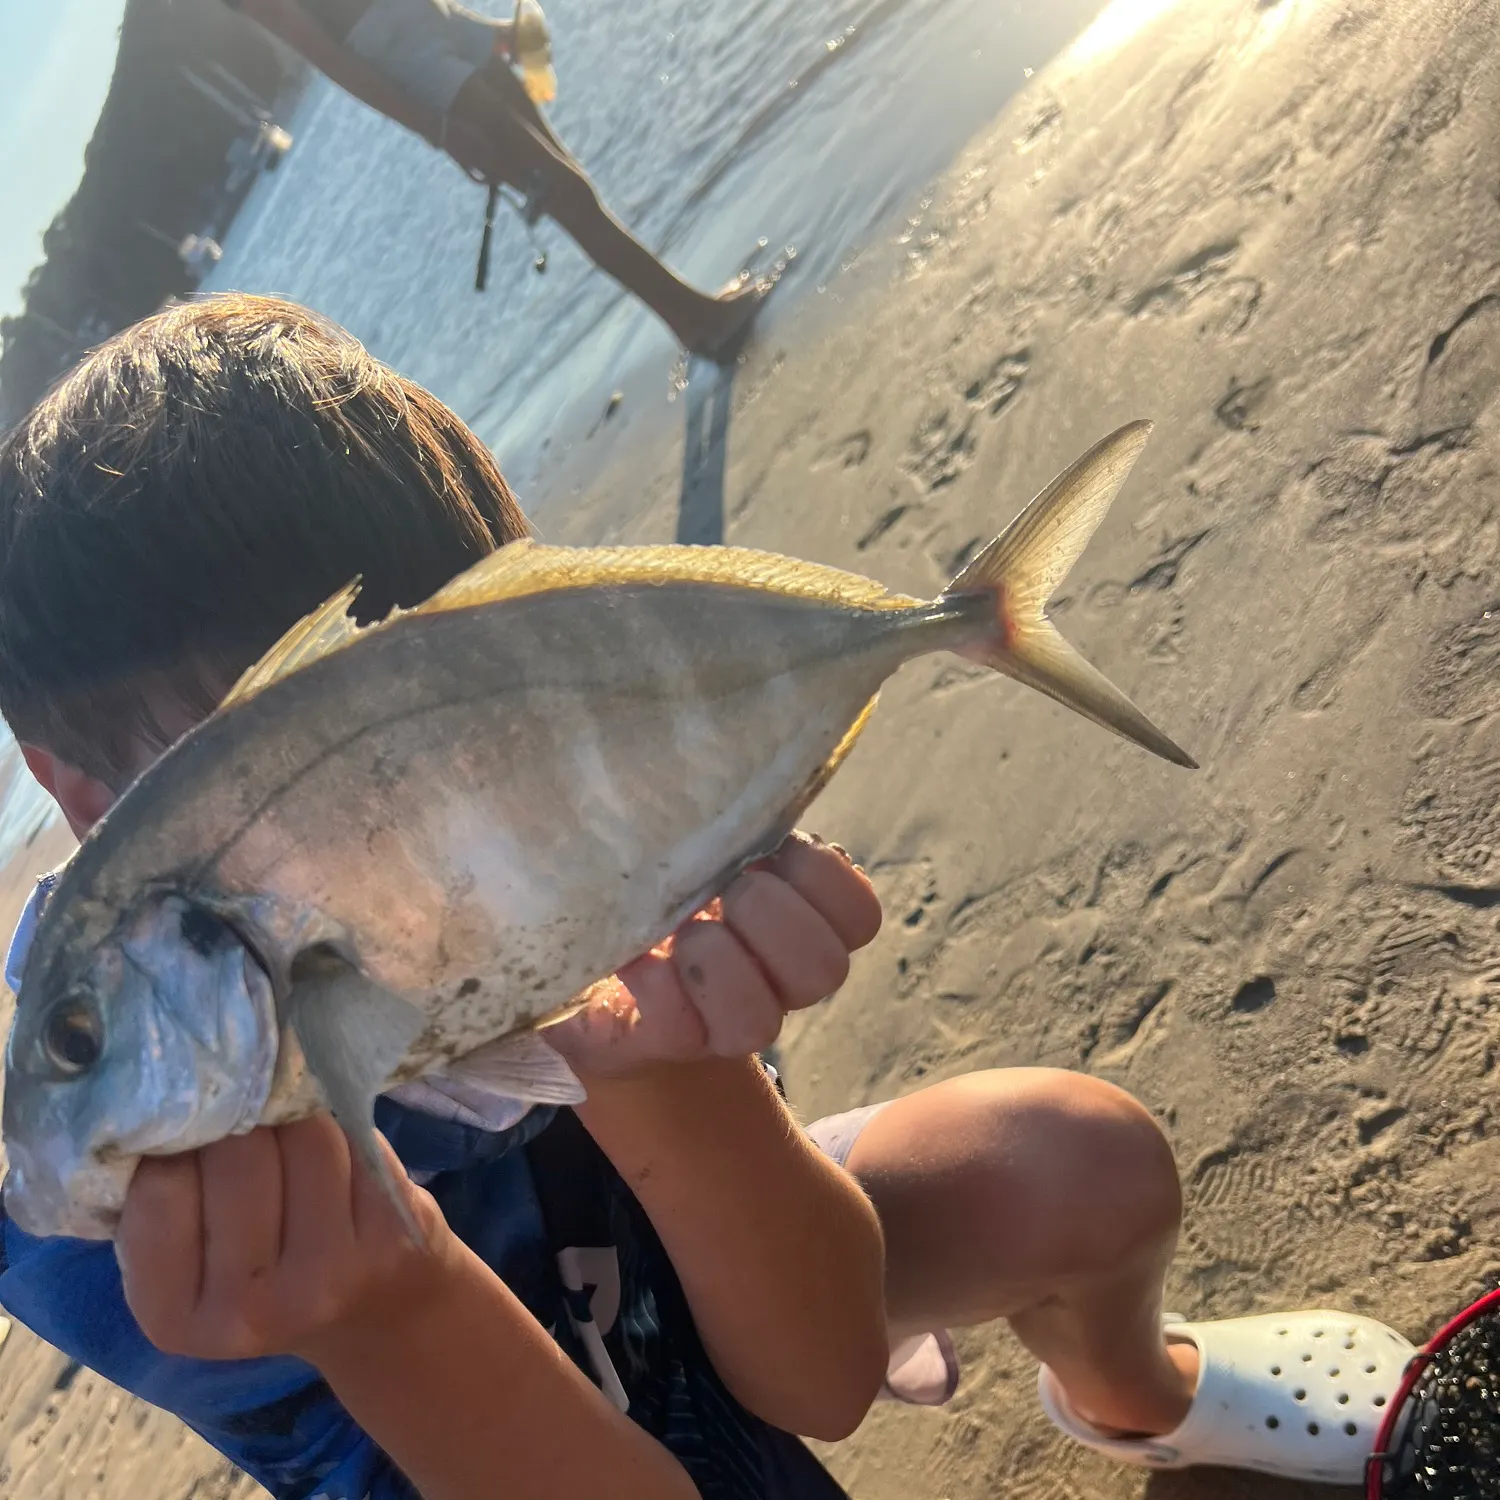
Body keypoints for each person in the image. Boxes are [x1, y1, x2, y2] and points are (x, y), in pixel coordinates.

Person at [0, 294, 1413, 1499]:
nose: (439, 832)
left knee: (1076, 1164)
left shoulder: (573, 850)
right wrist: (386, 1309)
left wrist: (658, 1058)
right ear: (84, 798)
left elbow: (817, 1373)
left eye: (484, 729)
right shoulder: (124, 1206)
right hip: (510, 1444)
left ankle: (1136, 1396)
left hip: (714, 1245)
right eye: (324, 813)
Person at [221, 0, 768, 359]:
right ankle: (701, 324)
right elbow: (329, 57)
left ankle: (692, 321)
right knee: (569, 197)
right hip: (414, 63)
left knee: (573, 186)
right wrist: (439, 130)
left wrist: (477, 30)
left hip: (440, 27)